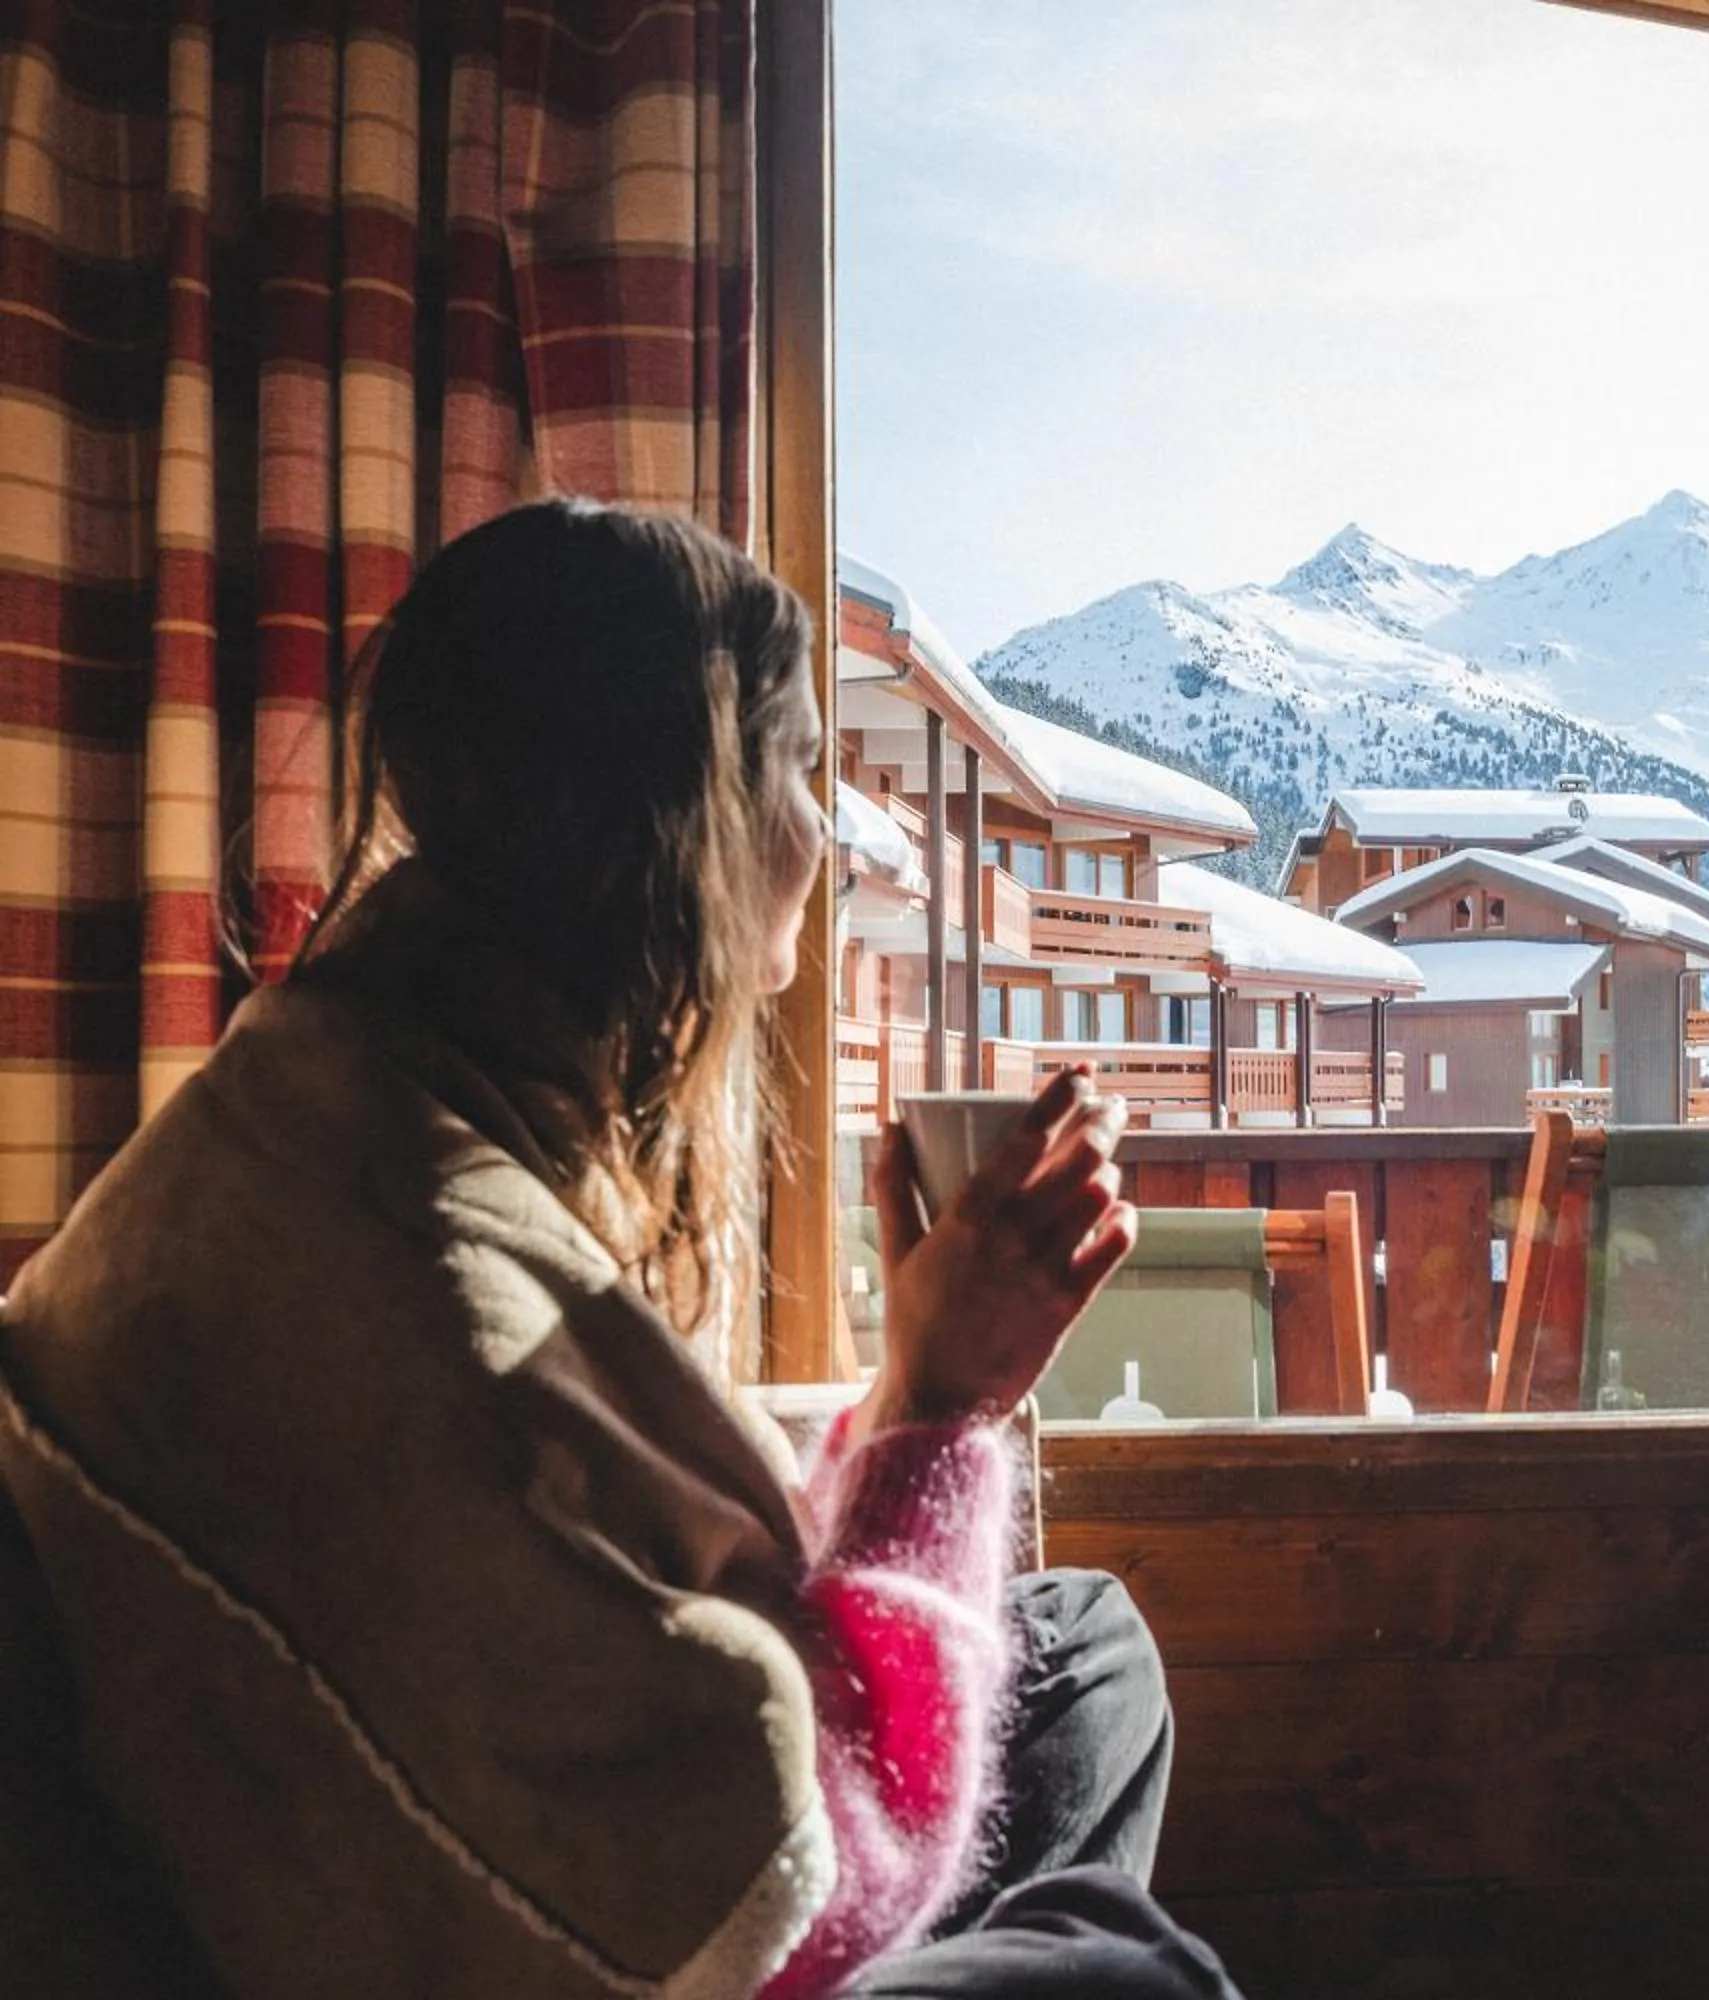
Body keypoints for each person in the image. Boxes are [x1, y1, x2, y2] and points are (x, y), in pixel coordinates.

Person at [0, 501, 1241, 1999]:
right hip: (640, 1946)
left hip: (273, 1847)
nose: (825, 840)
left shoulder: (308, 1111)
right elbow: (809, 1891)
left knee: (1084, 1652)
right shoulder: (467, 1330)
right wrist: (935, 1414)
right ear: (689, 831)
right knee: (1122, 1974)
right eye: (801, 776)